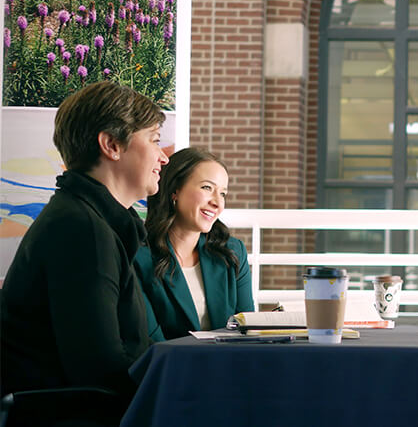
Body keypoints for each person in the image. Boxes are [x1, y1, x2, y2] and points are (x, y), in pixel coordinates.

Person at [0, 82, 168, 408]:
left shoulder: (87, 220)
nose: (163, 157)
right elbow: (99, 369)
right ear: (111, 145)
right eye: (155, 140)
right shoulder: (83, 229)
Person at [134, 147, 253, 341]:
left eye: (223, 193)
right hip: (168, 367)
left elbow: (247, 333)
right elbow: (151, 342)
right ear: (175, 191)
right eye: (207, 188)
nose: (217, 202)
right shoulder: (139, 255)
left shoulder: (233, 252)